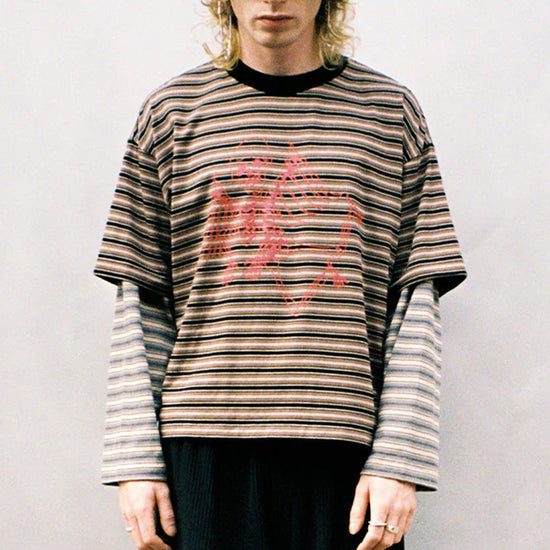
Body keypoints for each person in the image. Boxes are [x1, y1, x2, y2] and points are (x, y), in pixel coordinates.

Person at [94, 1, 467, 549]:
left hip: (344, 447)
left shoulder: (389, 114)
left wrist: (400, 460)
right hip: (203, 447)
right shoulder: (173, 112)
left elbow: (416, 298)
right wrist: (135, 463)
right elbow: (142, 299)